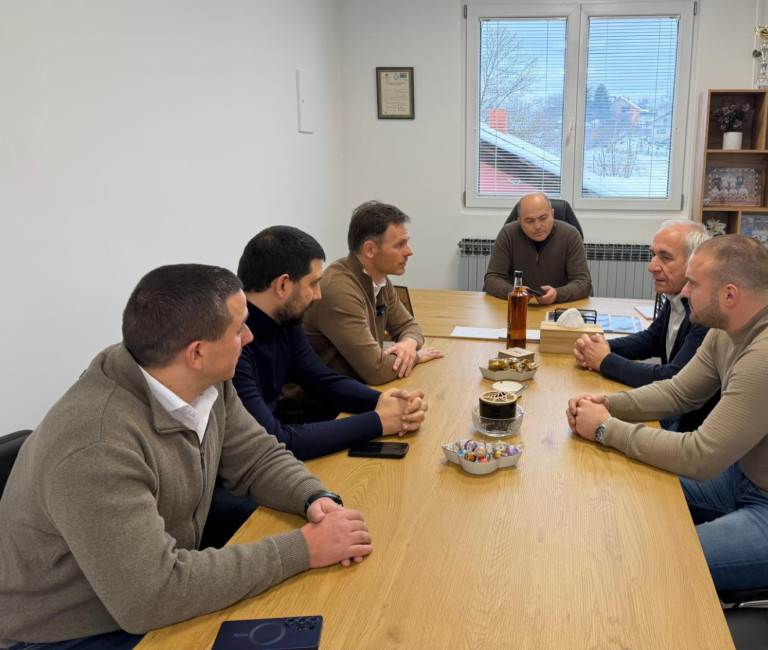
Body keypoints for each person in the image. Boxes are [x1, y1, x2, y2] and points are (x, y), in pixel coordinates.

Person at [0, 265, 373, 649]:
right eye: (239, 329)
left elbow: (257, 457)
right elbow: (151, 597)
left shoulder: (205, 381)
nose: (249, 337)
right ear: (197, 353)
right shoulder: (97, 447)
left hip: (147, 586)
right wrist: (304, 549)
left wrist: (314, 498)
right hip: (64, 632)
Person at [567, 235, 768, 592]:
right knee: (627, 488)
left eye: (693, 284)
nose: (684, 292)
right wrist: (609, 405)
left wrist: (605, 429)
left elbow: (700, 456)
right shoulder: (729, 330)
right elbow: (679, 392)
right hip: (754, 480)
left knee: (661, 563)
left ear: (730, 295)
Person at [233, 226, 428, 460]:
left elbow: (323, 381)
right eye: (312, 284)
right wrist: (379, 421)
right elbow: (273, 440)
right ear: (282, 285)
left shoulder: (284, 320)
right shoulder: (233, 344)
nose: (318, 295)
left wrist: (389, 403)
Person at [573, 219, 717, 431]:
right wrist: (599, 347)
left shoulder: (706, 312)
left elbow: (673, 378)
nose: (651, 266)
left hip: (690, 425)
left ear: (694, 263)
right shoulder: (677, 295)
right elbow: (652, 339)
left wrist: (605, 360)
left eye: (665, 257)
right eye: (653, 255)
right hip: (673, 412)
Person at [303, 201, 443, 385]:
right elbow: (377, 371)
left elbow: (409, 326)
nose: (409, 252)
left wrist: (408, 344)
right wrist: (416, 356)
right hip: (322, 400)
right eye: (400, 245)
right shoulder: (339, 290)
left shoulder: (378, 279)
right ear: (370, 249)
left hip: (355, 389)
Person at [483, 192, 591, 304]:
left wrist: (557, 294)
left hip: (558, 307)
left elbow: (583, 283)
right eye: (529, 221)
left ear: (552, 214)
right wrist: (515, 292)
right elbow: (492, 279)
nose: (538, 226)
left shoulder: (570, 235)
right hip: (517, 306)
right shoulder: (508, 234)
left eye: (543, 218)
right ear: (520, 221)